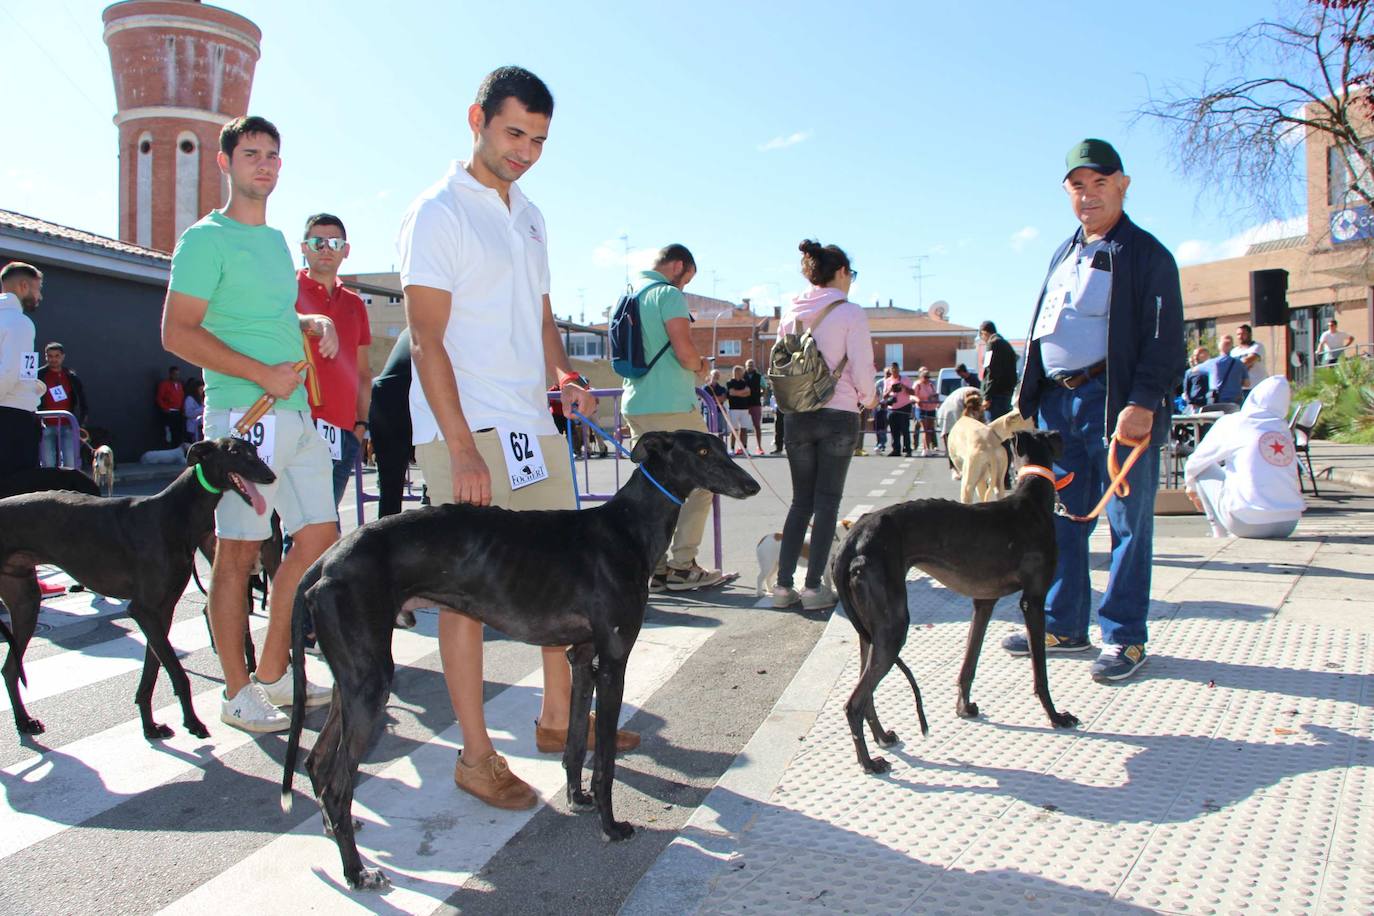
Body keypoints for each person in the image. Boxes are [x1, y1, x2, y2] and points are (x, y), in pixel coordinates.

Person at [399, 67, 637, 811]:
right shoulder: (437, 213)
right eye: (514, 134)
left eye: (538, 139)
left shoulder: (531, 215)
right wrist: (461, 444)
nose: (526, 151)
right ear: (476, 117)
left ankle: (559, 718)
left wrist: (562, 375)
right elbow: (425, 337)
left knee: (566, 577)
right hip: (467, 431)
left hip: (535, 426)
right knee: (465, 598)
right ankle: (475, 756)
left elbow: (540, 322)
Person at [161, 115, 342, 733]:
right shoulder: (203, 239)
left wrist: (305, 324)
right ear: (225, 162)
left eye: (272, 155)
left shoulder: (271, 242)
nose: (263, 164)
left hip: (294, 411)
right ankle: (237, 693)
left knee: (319, 533)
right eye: (250, 154)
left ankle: (272, 671)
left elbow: (263, 311)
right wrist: (262, 373)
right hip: (246, 412)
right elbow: (176, 332)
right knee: (237, 553)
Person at [1003, 138, 1185, 683]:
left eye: (1100, 184)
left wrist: (1142, 402)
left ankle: (1125, 637)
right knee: (1061, 519)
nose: (1088, 196)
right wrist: (1028, 394)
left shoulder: (1148, 255)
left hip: (1115, 405)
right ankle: (1064, 624)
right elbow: (1042, 328)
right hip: (1061, 406)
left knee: (1128, 526)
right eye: (1077, 186)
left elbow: (1164, 339)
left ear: (1123, 185)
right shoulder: (1063, 252)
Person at [771, 239, 876, 611]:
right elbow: (862, 365)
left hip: (796, 414)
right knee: (827, 501)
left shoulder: (791, 312)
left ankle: (783, 587)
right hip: (838, 412)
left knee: (801, 501)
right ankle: (815, 587)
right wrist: (870, 397)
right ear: (842, 272)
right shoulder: (850, 312)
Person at [620, 244, 727, 591]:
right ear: (679, 265)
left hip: (635, 403)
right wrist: (702, 366)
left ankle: (658, 566)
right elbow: (684, 352)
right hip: (672, 404)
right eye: (688, 278)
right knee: (704, 481)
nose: (685, 287)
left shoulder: (628, 294)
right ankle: (682, 565)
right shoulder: (668, 295)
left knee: (656, 487)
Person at [294, 213, 372, 509]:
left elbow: (363, 373)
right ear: (304, 248)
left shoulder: (355, 304)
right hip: (296, 424)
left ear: (346, 250)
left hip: (342, 434)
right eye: (318, 241)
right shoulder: (285, 293)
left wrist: (361, 425)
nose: (326, 248)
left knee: (325, 529)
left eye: (335, 242)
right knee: (298, 530)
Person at [1184, 375, 1305, 539]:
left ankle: (1218, 532)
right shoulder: (1282, 428)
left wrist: (1190, 487)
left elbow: (1196, 462)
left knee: (1204, 467)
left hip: (1246, 523)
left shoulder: (1235, 422)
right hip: (1288, 524)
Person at [0, 262, 45, 480]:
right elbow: (8, 371)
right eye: (38, 289)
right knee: (16, 492)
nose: (40, 296)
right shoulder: (20, 323)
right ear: (24, 286)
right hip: (13, 421)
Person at [368, 330, 413, 518]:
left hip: (384, 398)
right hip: (399, 403)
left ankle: (385, 539)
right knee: (391, 489)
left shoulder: (410, 329)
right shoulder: (434, 322)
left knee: (390, 491)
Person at [37, 342, 88, 469]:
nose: (53, 359)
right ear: (46, 357)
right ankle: (50, 487)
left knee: (70, 463)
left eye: (57, 356)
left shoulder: (71, 376)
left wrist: (81, 425)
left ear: (63, 356)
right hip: (46, 426)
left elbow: (83, 402)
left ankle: (69, 488)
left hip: (67, 425)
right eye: (50, 356)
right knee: (48, 463)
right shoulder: (38, 376)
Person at [979, 320, 1018, 420]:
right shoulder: (1006, 344)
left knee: (993, 429)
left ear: (984, 333)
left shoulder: (992, 344)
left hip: (995, 396)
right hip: (1006, 393)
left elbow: (991, 372)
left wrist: (987, 397)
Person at [883, 364, 913, 456]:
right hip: (892, 408)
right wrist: (890, 390)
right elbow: (884, 396)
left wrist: (903, 387)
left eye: (896, 370)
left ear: (899, 370)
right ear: (891, 371)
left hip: (904, 407)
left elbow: (912, 392)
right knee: (894, 430)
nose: (895, 372)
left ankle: (908, 449)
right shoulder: (887, 381)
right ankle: (896, 450)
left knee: (905, 429)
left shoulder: (906, 379)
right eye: (893, 370)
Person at [1208, 335, 1245, 406]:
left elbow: (1194, 370)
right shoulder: (1239, 363)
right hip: (1235, 399)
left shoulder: (1212, 363)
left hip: (1218, 399)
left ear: (1219, 346)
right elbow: (1247, 383)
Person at [1233, 323, 1266, 398]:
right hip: (1240, 388)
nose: (1240, 337)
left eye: (1243, 334)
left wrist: (1235, 368)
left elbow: (1248, 362)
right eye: (1238, 334)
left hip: (1256, 387)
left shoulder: (1257, 347)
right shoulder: (1234, 351)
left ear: (1250, 334)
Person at [155, 365, 186, 446]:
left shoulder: (179, 385)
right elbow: (159, 398)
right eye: (174, 374)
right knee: (170, 432)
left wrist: (183, 409)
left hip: (178, 412)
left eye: (178, 374)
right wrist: (165, 408)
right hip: (169, 412)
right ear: (170, 374)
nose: (176, 376)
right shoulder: (164, 384)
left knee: (178, 432)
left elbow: (181, 397)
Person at [913, 367, 941, 456]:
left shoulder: (931, 385)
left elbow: (934, 394)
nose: (927, 379)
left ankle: (928, 447)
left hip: (931, 409)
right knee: (925, 429)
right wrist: (917, 400)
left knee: (930, 429)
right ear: (921, 377)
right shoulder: (917, 385)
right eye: (925, 377)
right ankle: (925, 448)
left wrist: (935, 397)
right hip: (921, 409)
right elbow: (911, 395)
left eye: (928, 377)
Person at [725, 364, 752, 454]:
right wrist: (742, 393)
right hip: (734, 409)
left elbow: (748, 392)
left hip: (744, 409)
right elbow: (731, 393)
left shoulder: (745, 382)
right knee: (734, 430)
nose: (741, 373)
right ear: (735, 372)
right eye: (740, 372)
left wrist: (738, 393)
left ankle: (744, 448)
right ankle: (732, 448)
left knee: (744, 429)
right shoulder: (730, 382)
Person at [743, 358, 766, 455]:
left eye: (752, 365)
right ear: (745, 366)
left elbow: (764, 388)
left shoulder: (759, 376)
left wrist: (760, 395)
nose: (750, 367)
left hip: (756, 403)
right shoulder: (742, 376)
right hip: (744, 404)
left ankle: (759, 447)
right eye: (748, 365)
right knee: (743, 427)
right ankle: (743, 447)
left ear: (754, 366)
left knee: (757, 426)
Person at [1182, 346, 1211, 412]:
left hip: (1210, 404)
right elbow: (1186, 390)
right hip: (1195, 405)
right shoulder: (1190, 372)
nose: (1195, 357)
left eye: (1198, 355)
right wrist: (1190, 403)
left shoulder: (1212, 370)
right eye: (1194, 355)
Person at [705, 368, 728, 440]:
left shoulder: (722, 388)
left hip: (719, 412)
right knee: (708, 432)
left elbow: (723, 398)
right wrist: (718, 398)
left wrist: (713, 399)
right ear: (710, 376)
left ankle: (720, 448)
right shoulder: (705, 388)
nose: (716, 377)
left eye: (717, 375)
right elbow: (705, 399)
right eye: (714, 375)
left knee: (720, 431)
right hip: (708, 412)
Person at [872, 369, 889, 453]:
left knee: (885, 427)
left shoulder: (893, 382)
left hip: (889, 408)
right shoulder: (879, 383)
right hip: (879, 408)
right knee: (879, 427)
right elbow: (874, 395)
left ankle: (883, 443)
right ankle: (880, 443)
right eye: (887, 373)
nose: (889, 375)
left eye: (890, 373)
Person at [183, 377, 205, 442]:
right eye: (201, 389)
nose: (202, 392)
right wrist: (202, 409)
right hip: (192, 428)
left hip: (201, 428)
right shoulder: (190, 399)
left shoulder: (202, 399)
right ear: (196, 389)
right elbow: (188, 413)